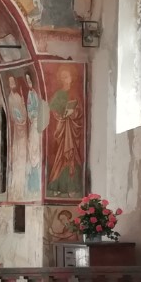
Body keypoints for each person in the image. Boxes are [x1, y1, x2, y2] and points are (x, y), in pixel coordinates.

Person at [47, 68, 85, 198]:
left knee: (72, 156)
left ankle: (72, 188)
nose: (65, 79)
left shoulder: (74, 93)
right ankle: (56, 186)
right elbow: (54, 110)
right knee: (61, 157)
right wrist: (62, 115)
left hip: (72, 129)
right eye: (63, 77)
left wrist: (73, 113)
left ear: (71, 78)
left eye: (67, 76)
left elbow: (79, 110)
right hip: (63, 129)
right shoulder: (58, 94)